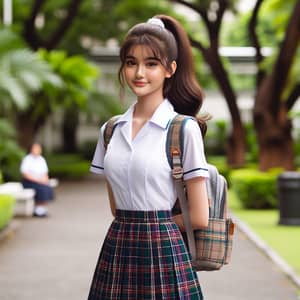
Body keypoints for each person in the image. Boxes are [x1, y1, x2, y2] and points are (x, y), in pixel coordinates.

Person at [88, 14, 209, 299]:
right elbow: (116, 208)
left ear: (170, 69)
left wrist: (152, 224)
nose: (139, 73)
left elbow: (200, 217)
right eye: (131, 63)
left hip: (165, 250)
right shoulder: (110, 131)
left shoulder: (183, 129)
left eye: (151, 63)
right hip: (117, 248)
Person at [20, 142, 54, 217]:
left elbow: (45, 173)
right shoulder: (27, 159)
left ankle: (41, 207)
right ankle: (38, 208)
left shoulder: (41, 159)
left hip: (40, 181)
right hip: (29, 181)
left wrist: (45, 180)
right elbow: (25, 174)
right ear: (31, 149)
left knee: (47, 187)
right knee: (41, 188)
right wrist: (39, 180)